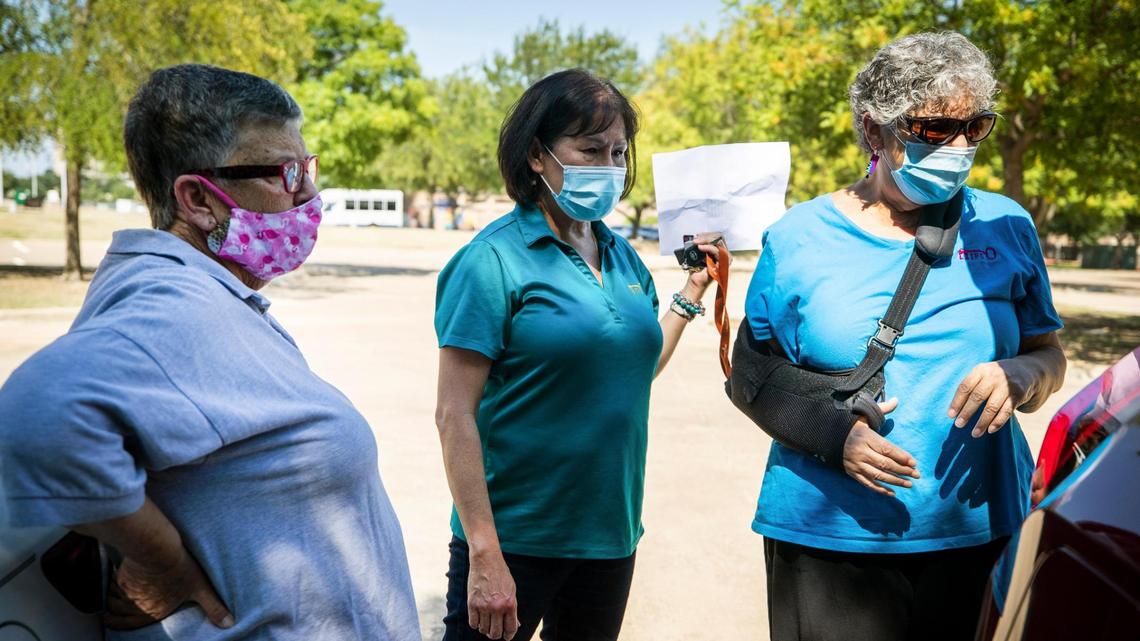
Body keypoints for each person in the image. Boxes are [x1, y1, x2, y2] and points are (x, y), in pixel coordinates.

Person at [0, 64, 421, 640]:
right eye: (286, 172)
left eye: (307, 167)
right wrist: (162, 564)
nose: (310, 194)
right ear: (199, 199)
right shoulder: (174, 302)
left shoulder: (204, 294)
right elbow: (38, 413)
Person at [743, 32, 1067, 641]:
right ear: (874, 131)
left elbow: (1047, 355)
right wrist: (832, 434)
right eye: (933, 129)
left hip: (980, 531)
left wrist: (1020, 375)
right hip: (831, 541)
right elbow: (753, 373)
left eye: (976, 127)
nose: (959, 146)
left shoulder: (1008, 223)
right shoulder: (798, 237)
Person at [433, 68, 725, 641]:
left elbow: (633, 368)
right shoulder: (491, 261)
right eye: (590, 149)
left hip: (610, 535)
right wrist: (485, 555)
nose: (609, 167)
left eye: (618, 153)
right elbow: (454, 415)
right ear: (537, 156)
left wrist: (691, 296)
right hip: (515, 539)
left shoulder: (621, 255)